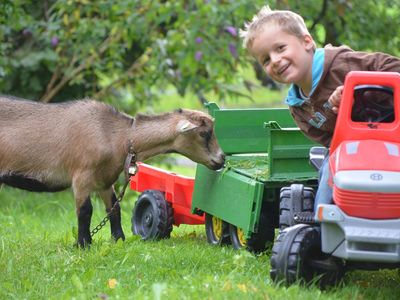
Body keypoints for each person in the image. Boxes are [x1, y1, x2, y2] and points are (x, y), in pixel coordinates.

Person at [240, 6, 400, 213]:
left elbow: (393, 69)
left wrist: (356, 90)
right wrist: (341, 116)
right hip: (348, 153)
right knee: (328, 180)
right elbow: (327, 141)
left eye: (280, 48)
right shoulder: (297, 107)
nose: (276, 61)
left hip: (392, 138)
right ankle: (325, 225)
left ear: (307, 42)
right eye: (266, 60)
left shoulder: (342, 64)